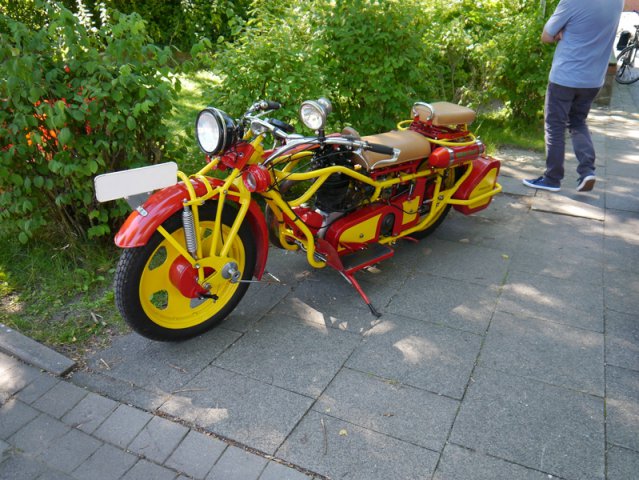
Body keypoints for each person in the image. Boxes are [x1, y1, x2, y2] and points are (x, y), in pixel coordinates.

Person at [523, 0, 624, 193]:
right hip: (593, 79)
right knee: (578, 122)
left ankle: (552, 178)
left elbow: (546, 36)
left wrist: (561, 32)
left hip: (565, 77)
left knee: (554, 126)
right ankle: (587, 171)